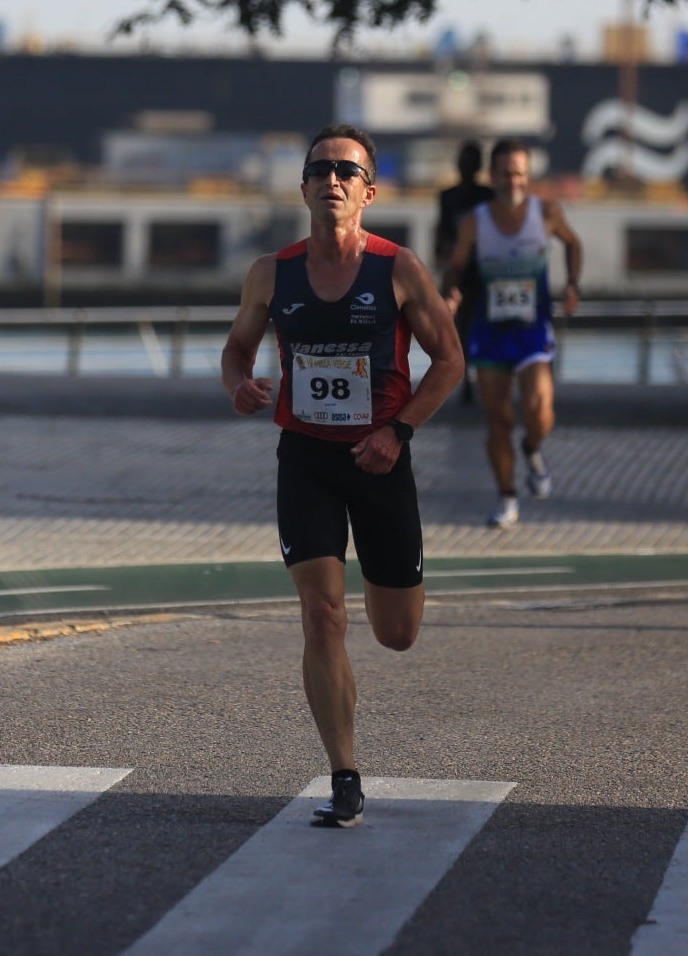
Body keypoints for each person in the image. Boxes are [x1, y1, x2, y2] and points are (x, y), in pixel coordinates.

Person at [220, 124, 463, 828]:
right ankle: (345, 773)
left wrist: (399, 430)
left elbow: (447, 361)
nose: (332, 179)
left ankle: (383, 624)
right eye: (319, 169)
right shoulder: (273, 272)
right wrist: (239, 383)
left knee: (396, 633)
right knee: (323, 615)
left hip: (381, 459)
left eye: (346, 171)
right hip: (306, 459)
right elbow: (236, 350)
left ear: (368, 192)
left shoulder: (398, 269)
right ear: (302, 188)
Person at [442, 139, 583, 528]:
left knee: (540, 410)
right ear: (493, 175)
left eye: (519, 172)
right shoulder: (476, 220)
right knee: (498, 420)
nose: (513, 179)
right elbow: (454, 265)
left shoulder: (547, 212)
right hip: (490, 332)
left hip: (533, 331)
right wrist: (451, 289)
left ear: (528, 175)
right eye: (505, 172)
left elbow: (573, 244)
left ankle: (532, 448)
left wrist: (572, 284)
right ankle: (507, 496)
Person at [433, 141, 493, 404]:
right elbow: (442, 230)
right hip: (459, 271)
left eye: (472, 162)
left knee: (485, 325)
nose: (467, 167)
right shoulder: (448, 196)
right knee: (461, 327)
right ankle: (467, 378)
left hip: (484, 270)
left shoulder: (488, 196)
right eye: (464, 161)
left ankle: (483, 376)